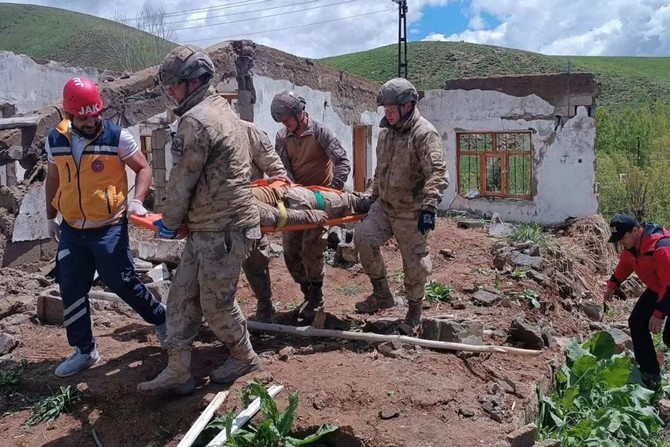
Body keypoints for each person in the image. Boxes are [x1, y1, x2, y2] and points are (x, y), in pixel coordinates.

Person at [137, 45, 261, 395]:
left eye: (174, 85)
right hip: (210, 227)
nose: (171, 92)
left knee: (215, 303)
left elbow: (182, 180)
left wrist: (170, 221)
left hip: (223, 229)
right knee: (180, 297)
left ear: (192, 83)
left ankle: (244, 355)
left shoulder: (196, 120)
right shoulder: (221, 109)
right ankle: (178, 370)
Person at [45, 76, 167, 378]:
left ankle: (162, 319)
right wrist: (50, 216)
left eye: (96, 113)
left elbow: (144, 168)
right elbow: (53, 178)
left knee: (122, 282)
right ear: (71, 114)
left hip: (109, 226)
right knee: (71, 288)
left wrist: (137, 200)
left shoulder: (117, 138)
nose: (92, 120)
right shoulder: (55, 140)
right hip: (73, 229)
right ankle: (85, 351)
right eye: (85, 116)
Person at [353, 78, 448, 328]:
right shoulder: (386, 134)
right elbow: (380, 170)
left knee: (414, 264)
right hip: (385, 206)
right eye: (386, 110)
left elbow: (437, 173)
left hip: (411, 211)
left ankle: (414, 311)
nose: (389, 114)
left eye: (392, 110)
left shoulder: (424, 133)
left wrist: (429, 206)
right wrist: (372, 198)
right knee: (363, 237)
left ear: (408, 106)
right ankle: (382, 294)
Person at [270, 91, 351, 322]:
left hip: (320, 200)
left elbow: (342, 161)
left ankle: (317, 297)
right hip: (296, 201)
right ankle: (307, 293)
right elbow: (282, 171)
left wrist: (333, 191)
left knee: (311, 248)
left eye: (287, 119)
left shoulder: (321, 132)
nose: (284, 124)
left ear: (299, 113)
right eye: (282, 121)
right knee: (290, 250)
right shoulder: (282, 137)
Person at [604, 214, 670, 389]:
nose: (621, 243)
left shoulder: (661, 247)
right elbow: (625, 265)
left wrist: (659, 314)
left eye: (623, 238)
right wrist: (613, 283)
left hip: (668, 287)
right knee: (637, 321)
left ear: (635, 230)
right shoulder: (633, 246)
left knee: (669, 337)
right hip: (659, 288)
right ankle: (650, 373)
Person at [240, 120, 288, 322]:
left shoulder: (249, 132)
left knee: (255, 260)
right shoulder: (194, 130)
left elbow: (278, 175)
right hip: (210, 215)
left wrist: (258, 194)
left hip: (247, 211)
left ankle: (264, 304)